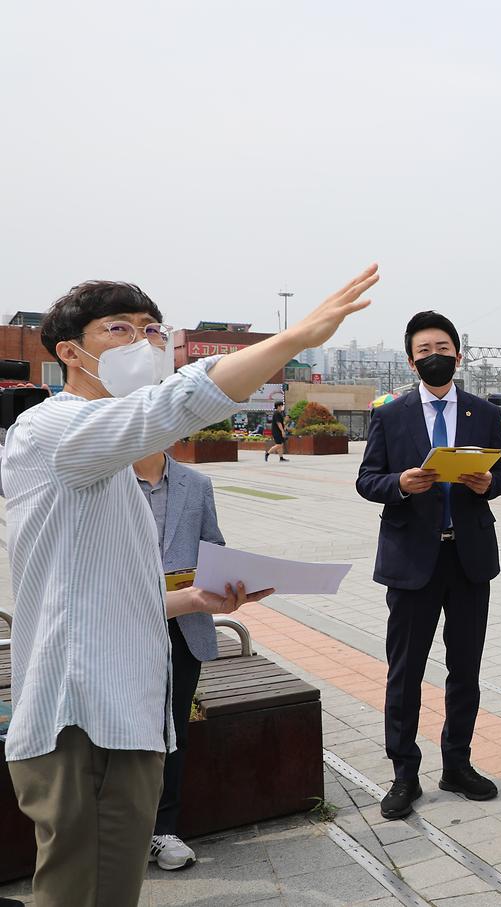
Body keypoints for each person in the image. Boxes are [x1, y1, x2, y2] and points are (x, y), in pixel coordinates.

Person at [4, 267, 375, 907]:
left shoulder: (108, 459)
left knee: (112, 891)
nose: (141, 343)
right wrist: (296, 337)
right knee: (80, 892)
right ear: (69, 352)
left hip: (128, 713)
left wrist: (194, 601)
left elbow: (102, 591)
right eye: (118, 329)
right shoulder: (53, 432)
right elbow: (174, 403)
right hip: (82, 718)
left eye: (152, 331)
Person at [356, 311, 501, 819]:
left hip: (467, 559)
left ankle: (457, 764)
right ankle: (404, 773)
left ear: (458, 353)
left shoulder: (483, 413)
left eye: (442, 347)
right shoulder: (391, 414)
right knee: (405, 671)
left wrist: (490, 483)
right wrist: (400, 484)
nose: (434, 356)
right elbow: (367, 480)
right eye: (424, 351)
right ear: (411, 360)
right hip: (411, 561)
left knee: (465, 670)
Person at [133, 450, 227, 872]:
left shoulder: (196, 484)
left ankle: (163, 829)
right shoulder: (109, 482)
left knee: (173, 727)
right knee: (126, 729)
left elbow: (214, 547)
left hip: (184, 625)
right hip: (123, 624)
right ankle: (122, 829)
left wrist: (223, 576)